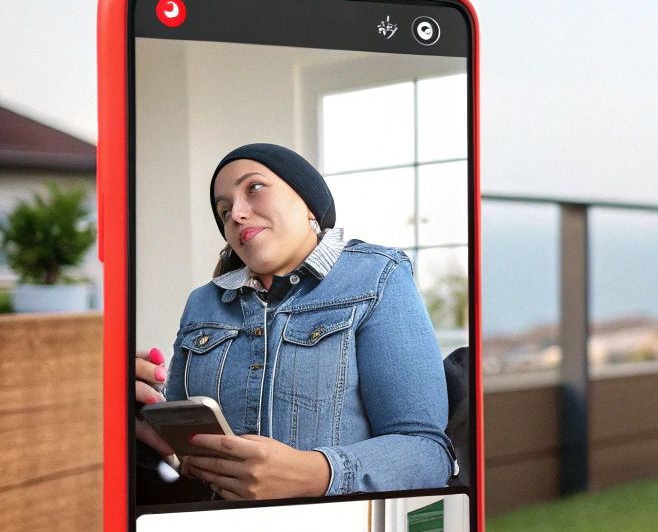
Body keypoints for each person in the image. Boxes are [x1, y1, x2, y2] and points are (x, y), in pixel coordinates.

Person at [131, 143, 454, 500]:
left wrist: (314, 474)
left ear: (308, 203)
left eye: (253, 188)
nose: (236, 214)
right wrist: (144, 417)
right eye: (224, 211)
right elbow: (182, 452)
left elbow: (428, 452)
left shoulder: (378, 277)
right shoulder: (202, 303)